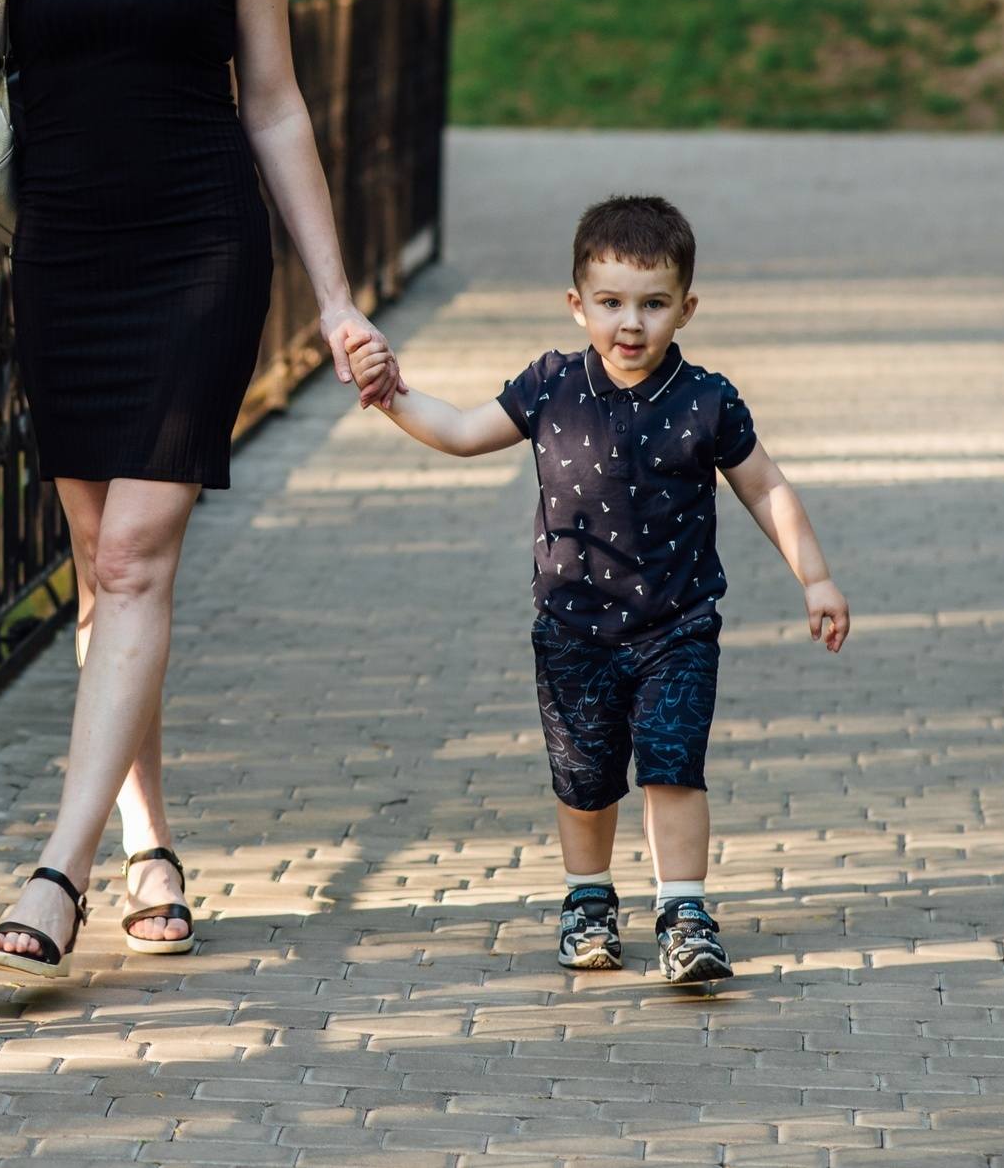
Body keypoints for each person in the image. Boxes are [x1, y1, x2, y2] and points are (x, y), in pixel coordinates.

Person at [0, 0, 400, 979]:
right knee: (100, 568)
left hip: (198, 256)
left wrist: (341, 294)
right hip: (66, 257)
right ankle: (149, 841)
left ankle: (55, 873)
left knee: (132, 558)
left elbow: (278, 107)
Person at [346, 196, 851, 986]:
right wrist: (393, 395)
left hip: (677, 627)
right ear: (577, 303)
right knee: (584, 779)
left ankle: (685, 911)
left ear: (686, 307)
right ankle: (588, 899)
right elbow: (462, 430)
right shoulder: (551, 384)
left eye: (653, 304)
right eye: (611, 302)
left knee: (672, 765)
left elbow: (766, 488)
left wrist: (814, 575)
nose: (631, 323)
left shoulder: (707, 400)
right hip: (574, 630)